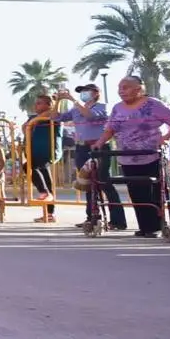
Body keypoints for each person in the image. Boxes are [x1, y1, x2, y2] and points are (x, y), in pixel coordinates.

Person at [94, 76, 170, 238]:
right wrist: (99, 142)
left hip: (151, 155)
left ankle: (156, 226)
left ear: (139, 89)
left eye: (126, 87)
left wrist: (165, 137)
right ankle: (145, 227)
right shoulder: (118, 108)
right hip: (126, 156)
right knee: (136, 192)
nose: (121, 91)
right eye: (120, 87)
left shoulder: (154, 104)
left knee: (153, 191)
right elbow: (110, 128)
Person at [57, 83, 126, 230]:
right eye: (80, 91)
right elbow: (56, 117)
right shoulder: (76, 108)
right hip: (82, 147)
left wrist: (71, 99)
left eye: (85, 91)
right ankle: (92, 217)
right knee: (88, 183)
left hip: (98, 147)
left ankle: (118, 220)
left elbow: (90, 116)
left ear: (95, 93)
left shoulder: (102, 106)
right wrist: (58, 100)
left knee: (103, 181)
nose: (83, 93)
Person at [22, 94, 63, 224]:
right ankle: (49, 213)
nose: (36, 105)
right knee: (45, 179)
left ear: (49, 105)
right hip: (35, 151)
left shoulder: (53, 116)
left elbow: (55, 113)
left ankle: (44, 192)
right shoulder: (34, 118)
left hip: (49, 151)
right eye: (36, 103)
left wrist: (58, 101)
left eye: (39, 103)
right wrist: (33, 121)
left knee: (28, 166)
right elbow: (24, 128)